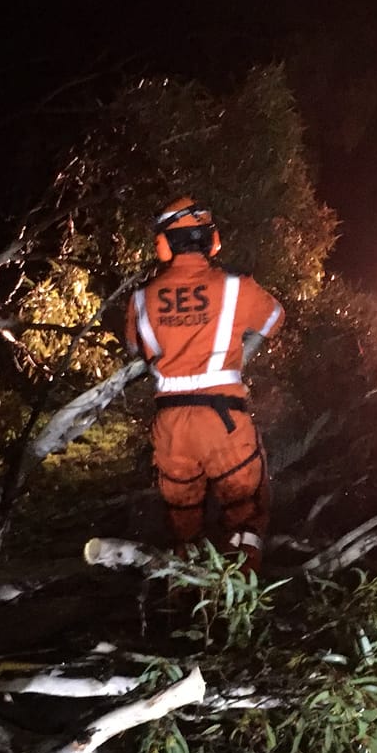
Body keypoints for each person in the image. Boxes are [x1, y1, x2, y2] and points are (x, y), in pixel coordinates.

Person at [124, 197, 284, 570]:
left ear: (164, 243)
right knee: (245, 518)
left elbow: (136, 349)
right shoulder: (235, 287)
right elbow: (275, 319)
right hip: (223, 422)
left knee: (183, 527)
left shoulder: (140, 298)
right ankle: (238, 607)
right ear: (212, 240)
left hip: (171, 428)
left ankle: (184, 604)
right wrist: (241, 355)